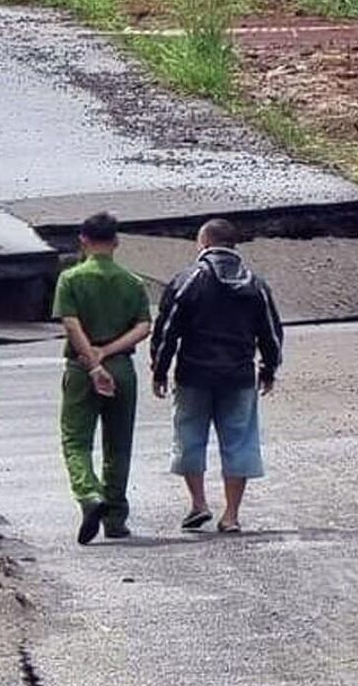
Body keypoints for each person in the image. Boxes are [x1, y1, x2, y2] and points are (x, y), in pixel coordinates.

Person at [149, 218, 283, 534]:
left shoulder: (188, 280)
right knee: (239, 442)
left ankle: (199, 504)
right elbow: (271, 332)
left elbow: (167, 330)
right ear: (233, 245)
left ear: (204, 244)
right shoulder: (255, 284)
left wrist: (160, 370)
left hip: (193, 374)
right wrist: (269, 368)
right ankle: (231, 515)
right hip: (238, 376)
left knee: (189, 439)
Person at [52, 212, 152, 545]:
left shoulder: (70, 278)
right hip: (122, 366)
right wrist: (109, 351)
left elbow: (70, 323)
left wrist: (93, 361)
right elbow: (143, 327)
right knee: (118, 443)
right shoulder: (132, 281)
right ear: (117, 242)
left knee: (75, 439)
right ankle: (115, 516)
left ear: (83, 239)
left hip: (82, 367)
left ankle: (89, 493)